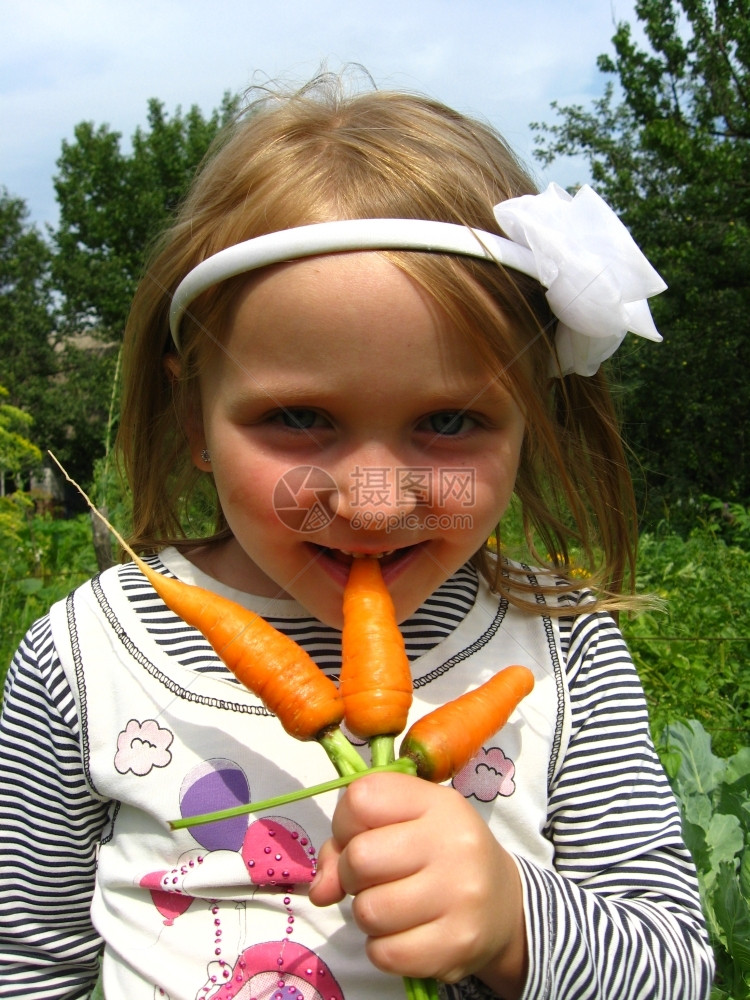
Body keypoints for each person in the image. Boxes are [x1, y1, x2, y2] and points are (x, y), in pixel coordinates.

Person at [0, 72, 714, 1000]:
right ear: (193, 425)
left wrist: (513, 922)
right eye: (300, 416)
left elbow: (675, 969)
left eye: (450, 423)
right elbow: (25, 967)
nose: (373, 504)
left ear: (531, 419)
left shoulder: (563, 645)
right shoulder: (83, 656)